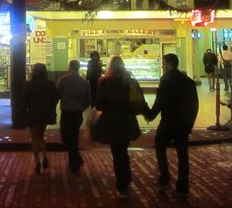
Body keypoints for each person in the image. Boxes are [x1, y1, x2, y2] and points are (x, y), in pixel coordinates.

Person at [146, 53, 199, 198]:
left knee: (160, 146)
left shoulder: (166, 80)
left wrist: (150, 114)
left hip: (168, 122)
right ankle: (182, 186)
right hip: (182, 123)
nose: (162, 66)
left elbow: (160, 102)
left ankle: (164, 177)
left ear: (169, 64)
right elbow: (194, 104)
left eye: (163, 64)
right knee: (183, 154)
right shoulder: (188, 81)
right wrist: (189, 123)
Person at [94, 55, 147, 199]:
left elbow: (99, 104)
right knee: (123, 150)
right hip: (127, 121)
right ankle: (126, 178)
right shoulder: (130, 81)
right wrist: (149, 114)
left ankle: (122, 185)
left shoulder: (104, 83)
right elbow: (140, 100)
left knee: (117, 153)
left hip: (111, 122)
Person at [56, 59, 91, 172]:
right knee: (74, 137)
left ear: (69, 67)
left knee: (66, 136)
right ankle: (74, 162)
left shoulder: (63, 80)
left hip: (66, 112)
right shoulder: (84, 82)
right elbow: (88, 100)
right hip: (78, 113)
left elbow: (57, 94)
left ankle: (76, 160)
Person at [22, 63, 58, 173]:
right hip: (45, 113)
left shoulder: (29, 85)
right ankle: (45, 156)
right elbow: (54, 99)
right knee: (41, 136)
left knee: (34, 138)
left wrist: (23, 113)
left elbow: (25, 101)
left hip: (33, 113)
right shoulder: (50, 84)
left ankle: (37, 162)